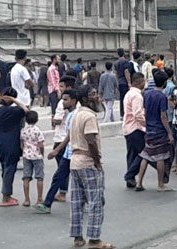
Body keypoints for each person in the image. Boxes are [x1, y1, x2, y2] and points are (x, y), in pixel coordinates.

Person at [68, 85, 113, 249]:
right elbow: (91, 140)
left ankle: (78, 237)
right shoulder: (88, 116)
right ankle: (94, 239)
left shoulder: (76, 115)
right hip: (87, 162)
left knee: (77, 201)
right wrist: (97, 162)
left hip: (75, 162)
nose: (98, 97)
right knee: (96, 201)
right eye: (93, 95)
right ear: (86, 99)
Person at [35, 90, 79, 214]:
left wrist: (57, 150)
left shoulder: (75, 115)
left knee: (80, 179)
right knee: (58, 177)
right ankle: (47, 204)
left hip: (75, 152)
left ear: (74, 101)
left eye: (66, 99)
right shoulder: (70, 114)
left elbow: (70, 136)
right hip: (68, 153)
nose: (63, 102)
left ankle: (91, 201)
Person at [0, 88, 30, 207]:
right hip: (11, 143)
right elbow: (27, 111)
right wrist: (15, 100)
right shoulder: (12, 111)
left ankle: (6, 194)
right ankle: (6, 196)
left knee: (4, 168)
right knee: (10, 169)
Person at [136, 70, 174, 192]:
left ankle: (139, 182)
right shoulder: (162, 97)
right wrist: (169, 132)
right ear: (164, 83)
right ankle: (160, 184)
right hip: (159, 130)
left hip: (149, 129)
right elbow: (163, 116)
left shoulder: (147, 94)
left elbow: (145, 112)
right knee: (160, 156)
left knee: (146, 155)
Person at [122, 72, 146, 188]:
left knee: (131, 154)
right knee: (144, 152)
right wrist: (146, 124)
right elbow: (138, 114)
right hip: (136, 127)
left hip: (128, 127)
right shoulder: (137, 96)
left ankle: (130, 179)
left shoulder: (128, 94)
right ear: (139, 82)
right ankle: (130, 174)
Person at [20, 110, 44, 207]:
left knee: (26, 177)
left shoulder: (23, 130)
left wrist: (25, 150)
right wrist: (42, 153)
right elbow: (41, 145)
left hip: (26, 155)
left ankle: (26, 199)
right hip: (37, 156)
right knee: (39, 177)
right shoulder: (37, 131)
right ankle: (39, 199)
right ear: (37, 120)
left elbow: (21, 144)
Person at [114, 48, 134, 118]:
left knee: (121, 98)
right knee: (126, 98)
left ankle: (121, 113)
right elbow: (126, 72)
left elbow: (116, 73)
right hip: (124, 82)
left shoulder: (116, 63)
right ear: (124, 53)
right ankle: (126, 112)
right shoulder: (126, 62)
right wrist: (129, 82)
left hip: (119, 81)